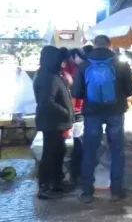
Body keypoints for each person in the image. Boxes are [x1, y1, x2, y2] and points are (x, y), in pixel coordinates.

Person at [71, 35, 132, 203]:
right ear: (109, 45)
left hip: (92, 113)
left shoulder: (84, 65)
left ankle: (87, 192)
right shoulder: (120, 64)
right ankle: (116, 191)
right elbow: (130, 90)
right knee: (117, 151)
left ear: (94, 45)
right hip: (115, 112)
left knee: (90, 150)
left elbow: (76, 92)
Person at [33, 46, 74, 200]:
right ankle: (45, 187)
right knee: (49, 154)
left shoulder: (51, 73)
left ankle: (57, 182)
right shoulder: (47, 76)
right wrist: (66, 112)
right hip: (52, 122)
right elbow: (46, 102)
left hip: (56, 122)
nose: (62, 62)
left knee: (58, 152)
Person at [61, 48, 86, 185]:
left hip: (75, 110)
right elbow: (73, 86)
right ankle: (76, 173)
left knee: (77, 143)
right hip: (74, 110)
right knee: (77, 143)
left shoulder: (71, 69)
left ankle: (75, 173)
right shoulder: (68, 71)